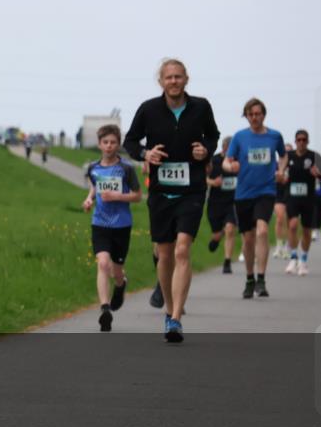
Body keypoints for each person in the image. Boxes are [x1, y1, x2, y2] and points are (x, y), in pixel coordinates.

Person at [123, 59, 219, 342]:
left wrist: (206, 150)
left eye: (178, 77)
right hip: (161, 191)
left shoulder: (201, 106)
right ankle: (169, 306)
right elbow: (130, 141)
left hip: (192, 189)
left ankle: (175, 318)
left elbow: (213, 135)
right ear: (161, 81)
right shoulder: (149, 109)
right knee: (164, 254)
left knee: (181, 250)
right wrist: (145, 154)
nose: (174, 81)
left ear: (186, 79)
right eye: (169, 77)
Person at [223, 98, 287, 299]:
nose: (254, 118)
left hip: (266, 191)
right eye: (250, 114)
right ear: (246, 116)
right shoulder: (239, 137)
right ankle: (249, 279)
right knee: (248, 239)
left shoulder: (275, 136)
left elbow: (283, 156)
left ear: (263, 115)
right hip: (243, 194)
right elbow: (227, 160)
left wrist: (281, 170)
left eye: (258, 114)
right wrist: (229, 167)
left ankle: (262, 278)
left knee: (262, 231)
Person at [82, 124, 142, 331]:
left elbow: (138, 195)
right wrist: (89, 200)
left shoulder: (126, 168)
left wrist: (118, 196)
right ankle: (104, 309)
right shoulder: (93, 168)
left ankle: (121, 284)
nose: (109, 146)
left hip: (121, 225)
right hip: (100, 223)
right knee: (102, 264)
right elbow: (94, 185)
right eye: (105, 142)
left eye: (113, 142)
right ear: (99, 144)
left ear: (118, 144)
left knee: (116, 271)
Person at [284, 130, 321, 276]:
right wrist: (281, 176)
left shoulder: (313, 156)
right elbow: (280, 171)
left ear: (308, 141)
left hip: (308, 198)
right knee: (293, 225)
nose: (301, 142)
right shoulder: (289, 156)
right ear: (295, 141)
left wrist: (317, 173)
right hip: (292, 196)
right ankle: (293, 257)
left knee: (306, 231)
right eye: (298, 140)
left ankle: (304, 260)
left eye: (304, 140)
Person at [206, 136, 238, 274]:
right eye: (228, 147)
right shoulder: (214, 160)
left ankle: (227, 262)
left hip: (232, 202)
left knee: (231, 229)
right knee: (217, 234)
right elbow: (202, 176)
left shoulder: (238, 162)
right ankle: (216, 239)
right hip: (215, 203)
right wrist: (213, 183)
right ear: (223, 147)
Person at [272, 144, 293, 259]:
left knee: (290, 221)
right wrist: (278, 177)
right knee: (280, 217)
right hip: (278, 193)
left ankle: (288, 246)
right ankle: (279, 246)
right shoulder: (275, 165)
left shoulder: (294, 165)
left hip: (291, 194)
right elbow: (269, 177)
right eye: (285, 152)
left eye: (289, 152)